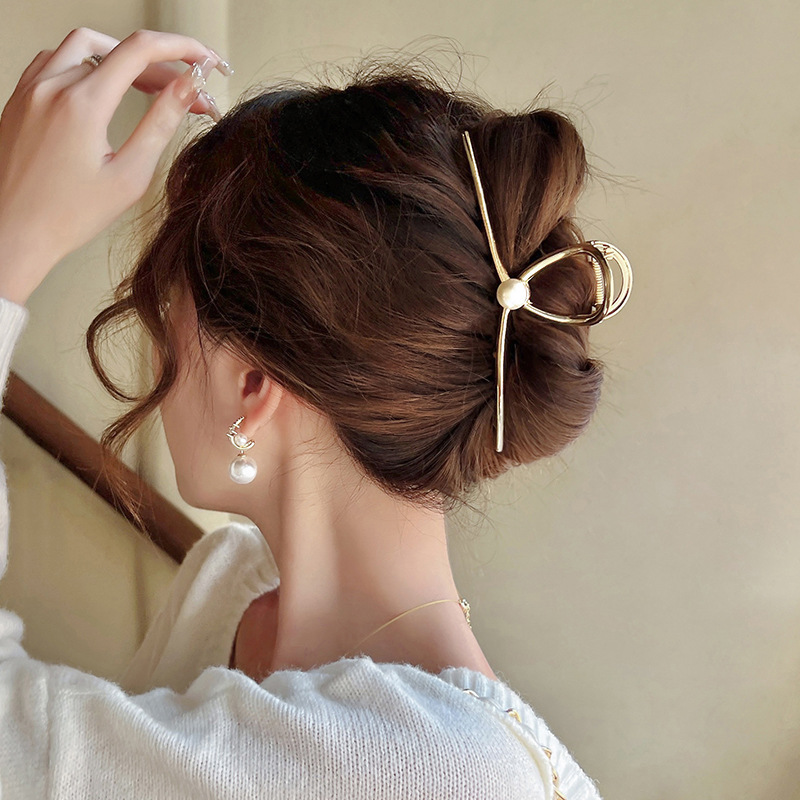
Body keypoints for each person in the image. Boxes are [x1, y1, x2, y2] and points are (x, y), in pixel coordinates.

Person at [0, 26, 630, 799]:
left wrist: (10, 246)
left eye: (167, 319)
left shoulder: (438, 774)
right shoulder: (228, 593)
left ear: (251, 385)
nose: (161, 362)